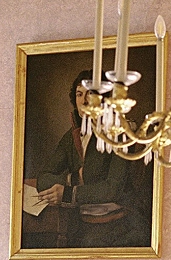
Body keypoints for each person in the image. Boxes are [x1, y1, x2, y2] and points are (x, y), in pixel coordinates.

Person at [35, 69, 153, 248]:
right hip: (83, 222)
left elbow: (113, 189)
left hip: (120, 222)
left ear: (104, 97)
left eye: (90, 93)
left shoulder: (120, 132)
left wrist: (68, 193)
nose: (83, 101)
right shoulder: (73, 136)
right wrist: (74, 179)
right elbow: (43, 179)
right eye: (79, 94)